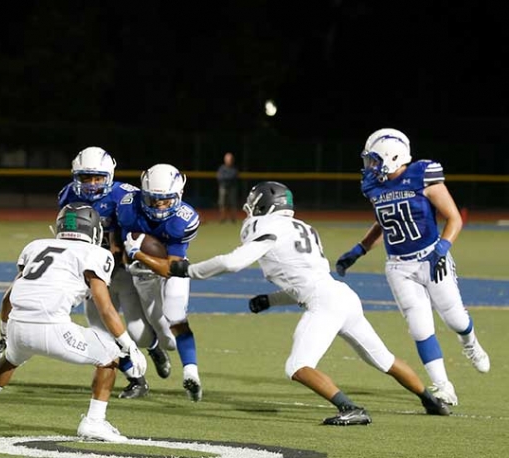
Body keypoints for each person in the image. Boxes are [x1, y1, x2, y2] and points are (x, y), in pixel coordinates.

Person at [126, 181, 452, 425]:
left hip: (325, 302)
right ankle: (430, 400)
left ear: (266, 205)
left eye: (254, 204)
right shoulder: (303, 227)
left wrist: (189, 270)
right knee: (383, 359)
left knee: (297, 366)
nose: (249, 210)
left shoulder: (265, 226)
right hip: (340, 296)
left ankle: (350, 409)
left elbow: (234, 262)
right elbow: (304, 283)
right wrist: (271, 299)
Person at [0, 203, 146, 442]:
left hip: (18, 323)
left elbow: (8, 296)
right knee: (111, 354)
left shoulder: (36, 246)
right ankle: (94, 422)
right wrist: (129, 346)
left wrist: (4, 332)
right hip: (52, 327)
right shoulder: (95, 253)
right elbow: (105, 306)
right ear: (93, 230)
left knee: (10, 358)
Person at [334, 128, 490, 406]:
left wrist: (442, 249)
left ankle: (470, 343)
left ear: (391, 157)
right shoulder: (374, 186)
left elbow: (454, 218)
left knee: (455, 319)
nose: (369, 166)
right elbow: (387, 221)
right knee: (419, 328)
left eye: (373, 160)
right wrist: (359, 250)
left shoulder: (422, 175)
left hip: (432, 257)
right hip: (399, 267)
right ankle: (443, 386)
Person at [43, 146, 170, 399]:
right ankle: (136, 378)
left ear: (109, 175)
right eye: (86, 177)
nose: (92, 184)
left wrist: (136, 251)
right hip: (91, 268)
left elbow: (148, 227)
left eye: (98, 177)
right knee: (99, 331)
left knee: (136, 331)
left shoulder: (127, 196)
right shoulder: (68, 195)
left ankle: (154, 348)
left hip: (122, 269)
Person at [115, 164, 203, 401]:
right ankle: (155, 349)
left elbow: (169, 268)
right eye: (153, 200)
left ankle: (191, 372)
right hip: (141, 274)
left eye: (165, 200)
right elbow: (123, 243)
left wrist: (140, 254)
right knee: (157, 335)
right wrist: (127, 255)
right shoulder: (128, 208)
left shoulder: (183, 219)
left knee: (174, 313)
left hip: (172, 269)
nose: (159, 206)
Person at [217, 152, 239, 223]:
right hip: (223, 187)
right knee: (222, 203)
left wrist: (225, 178)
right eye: (227, 159)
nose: (228, 160)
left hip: (232, 188)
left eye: (229, 159)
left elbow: (233, 176)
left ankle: (233, 219)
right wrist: (227, 178)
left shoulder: (234, 169)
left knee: (232, 203)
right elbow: (219, 177)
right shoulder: (222, 168)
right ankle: (222, 218)